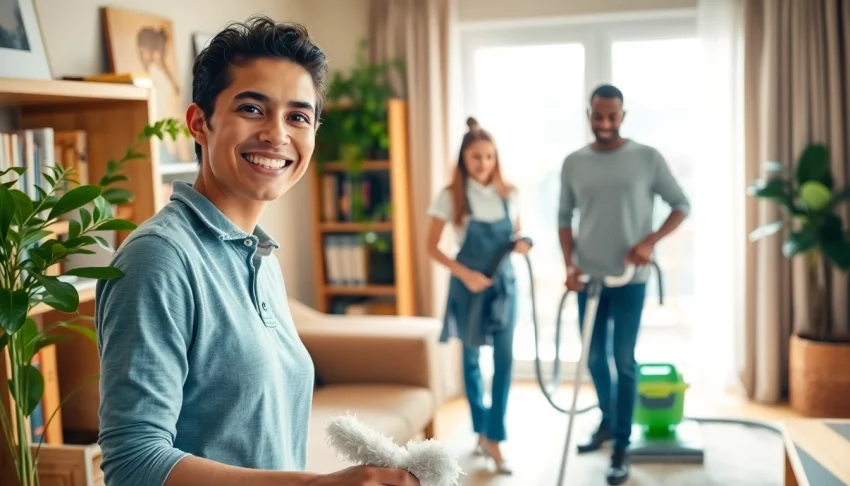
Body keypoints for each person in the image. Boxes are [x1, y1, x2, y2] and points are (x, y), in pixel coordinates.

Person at [94, 16, 419, 486]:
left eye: (298, 117)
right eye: (252, 108)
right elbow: (133, 465)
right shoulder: (159, 259)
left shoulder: (260, 254)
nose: (277, 134)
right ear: (199, 123)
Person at [557, 84, 690, 486]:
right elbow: (564, 218)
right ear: (589, 114)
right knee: (594, 359)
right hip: (590, 277)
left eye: (612, 117)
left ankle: (621, 445)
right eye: (598, 116)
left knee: (623, 358)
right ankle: (608, 421)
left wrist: (649, 242)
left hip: (631, 278)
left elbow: (681, 204)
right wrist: (569, 264)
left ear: (623, 116)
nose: (604, 123)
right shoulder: (574, 163)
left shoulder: (646, 158)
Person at [426, 117, 531, 476]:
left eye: (488, 157)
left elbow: (517, 234)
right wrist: (465, 274)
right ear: (464, 160)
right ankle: (480, 429)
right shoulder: (450, 196)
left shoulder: (509, 193)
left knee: (503, 359)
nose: (483, 163)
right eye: (476, 157)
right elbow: (432, 247)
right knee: (470, 361)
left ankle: (495, 439)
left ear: (495, 158)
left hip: (503, 289)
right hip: (468, 288)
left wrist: (523, 244)